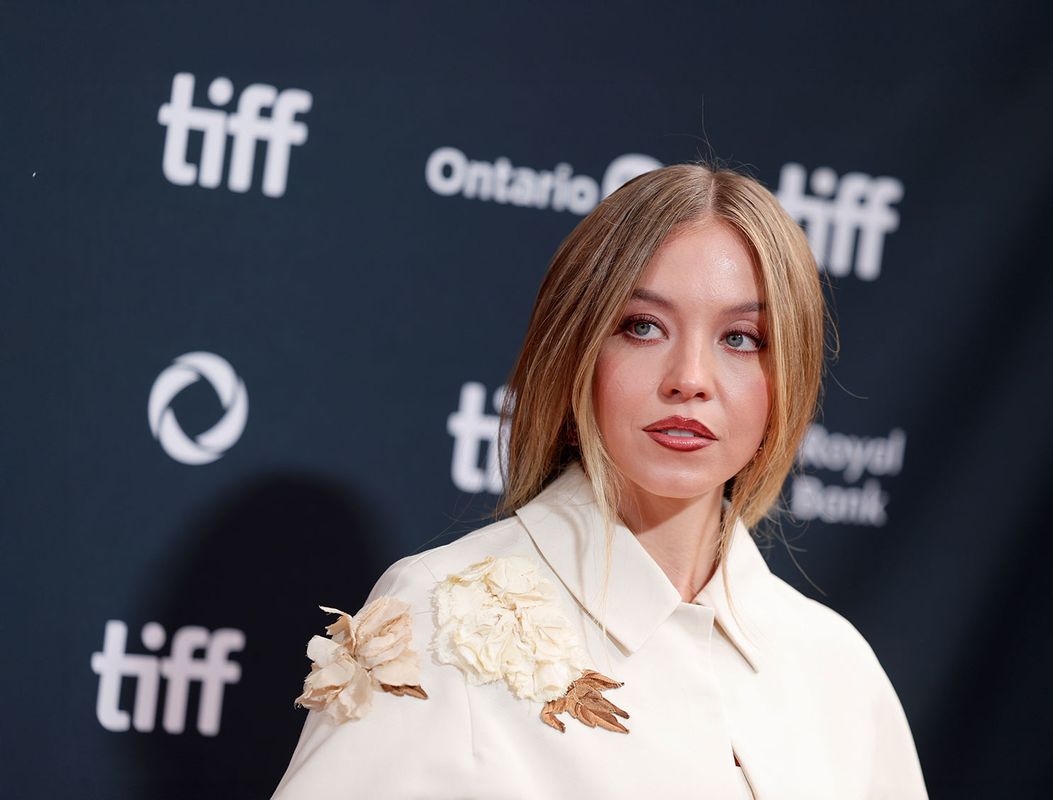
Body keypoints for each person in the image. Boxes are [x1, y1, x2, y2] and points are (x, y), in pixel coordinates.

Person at [271, 164, 928, 799]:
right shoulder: (437, 618)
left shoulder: (835, 666)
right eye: (642, 327)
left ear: (786, 377)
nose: (690, 377)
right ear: (576, 351)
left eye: (741, 338)